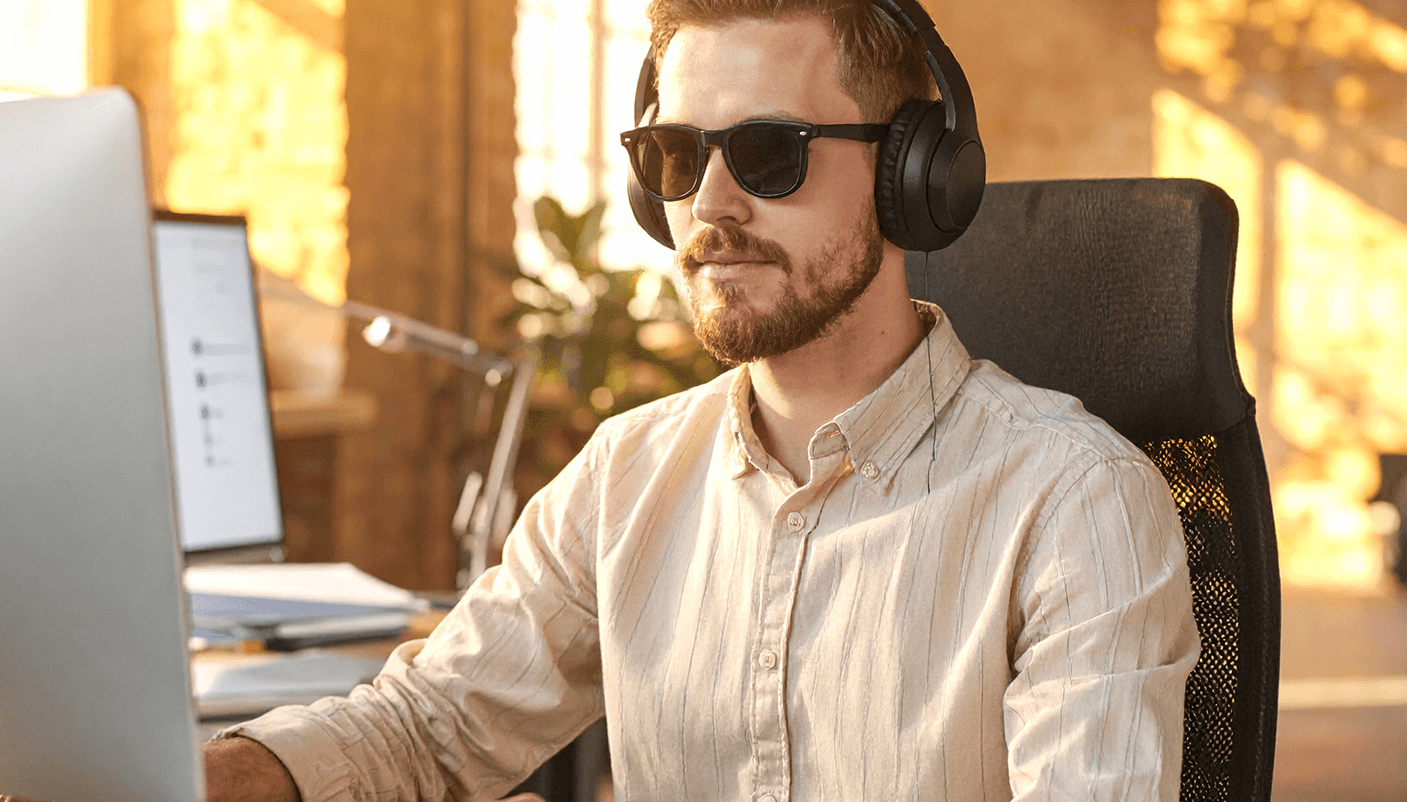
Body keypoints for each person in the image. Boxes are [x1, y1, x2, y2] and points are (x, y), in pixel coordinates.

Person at [204, 1, 1200, 800]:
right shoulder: (625, 474)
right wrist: (215, 777)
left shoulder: (1078, 503)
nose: (711, 206)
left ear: (911, 174)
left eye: (770, 152)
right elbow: (430, 728)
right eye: (676, 157)